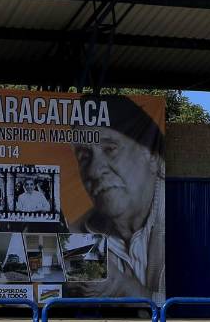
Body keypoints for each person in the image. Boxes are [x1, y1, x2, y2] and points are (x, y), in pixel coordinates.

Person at [70, 97, 166, 300]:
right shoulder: (78, 233)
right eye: (84, 157)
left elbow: (186, 311)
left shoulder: (178, 221)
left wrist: (122, 288)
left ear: (152, 155)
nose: (94, 172)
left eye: (110, 149)